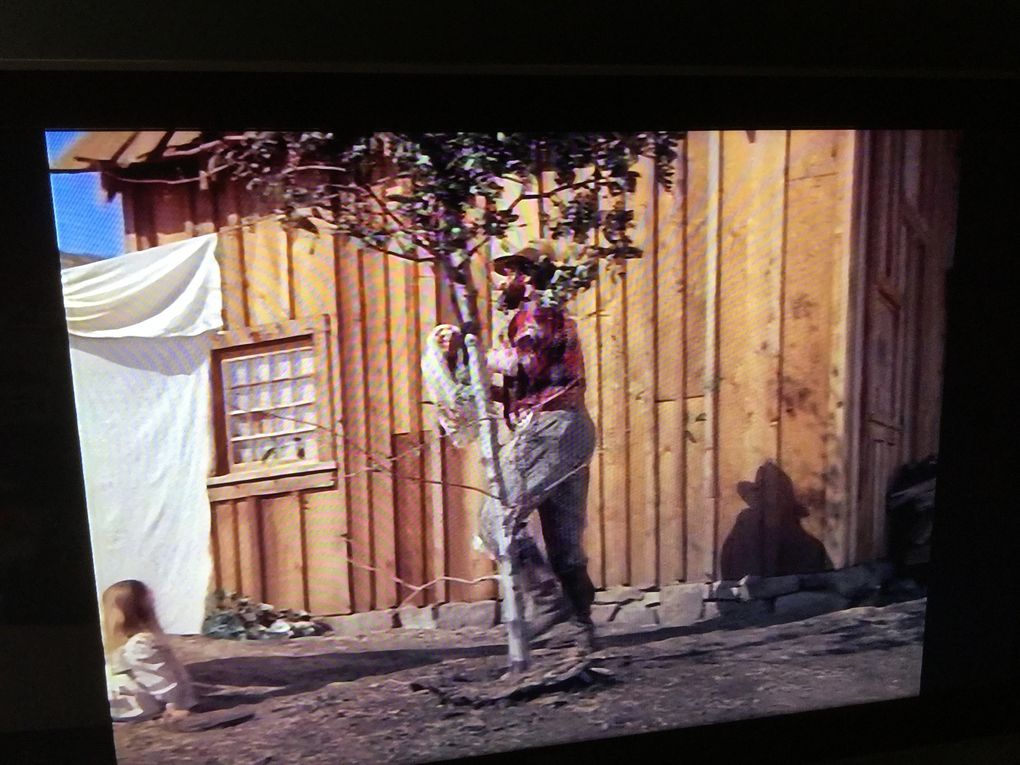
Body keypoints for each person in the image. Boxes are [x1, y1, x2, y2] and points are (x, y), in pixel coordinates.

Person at [478, 239, 599, 653]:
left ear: (526, 276)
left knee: (495, 519)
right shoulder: (546, 315)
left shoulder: (539, 311)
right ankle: (579, 633)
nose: (501, 285)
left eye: (507, 275)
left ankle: (550, 607)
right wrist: (478, 392)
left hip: (550, 427)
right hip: (568, 427)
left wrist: (478, 354)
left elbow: (524, 363)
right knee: (564, 540)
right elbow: (530, 379)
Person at [102, 579, 198, 724]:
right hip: (129, 702)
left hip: (129, 704)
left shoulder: (139, 643)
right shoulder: (139, 642)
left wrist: (178, 706)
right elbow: (164, 678)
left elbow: (165, 679)